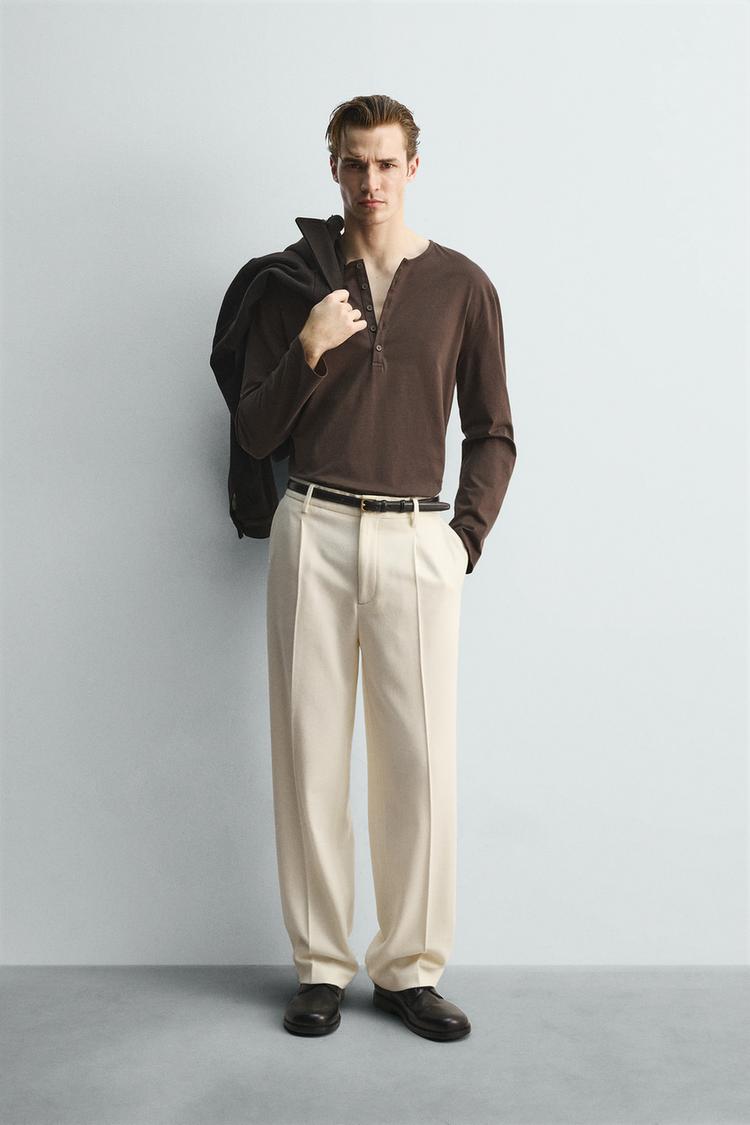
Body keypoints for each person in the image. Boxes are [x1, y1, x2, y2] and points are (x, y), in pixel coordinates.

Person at [235, 94, 517, 1041]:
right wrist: (310, 347)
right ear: (334, 167)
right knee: (309, 755)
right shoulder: (298, 284)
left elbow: (493, 429)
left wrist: (463, 537)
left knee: (419, 765)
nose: (370, 181)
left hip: (415, 541)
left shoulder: (463, 286)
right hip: (312, 527)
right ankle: (321, 966)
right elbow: (256, 432)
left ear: (413, 168)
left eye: (387, 163)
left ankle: (408, 970)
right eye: (354, 163)